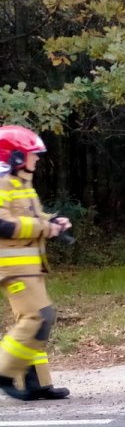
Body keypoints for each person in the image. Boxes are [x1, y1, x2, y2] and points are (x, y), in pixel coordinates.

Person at [0, 126, 71, 401]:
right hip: (13, 269)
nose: (38, 159)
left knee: (39, 319)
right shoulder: (3, 184)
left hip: (29, 267)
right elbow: (3, 225)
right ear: (16, 156)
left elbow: (35, 217)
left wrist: (54, 221)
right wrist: (43, 228)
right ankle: (5, 370)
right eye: (33, 154)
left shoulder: (21, 186)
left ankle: (36, 383)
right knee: (37, 318)